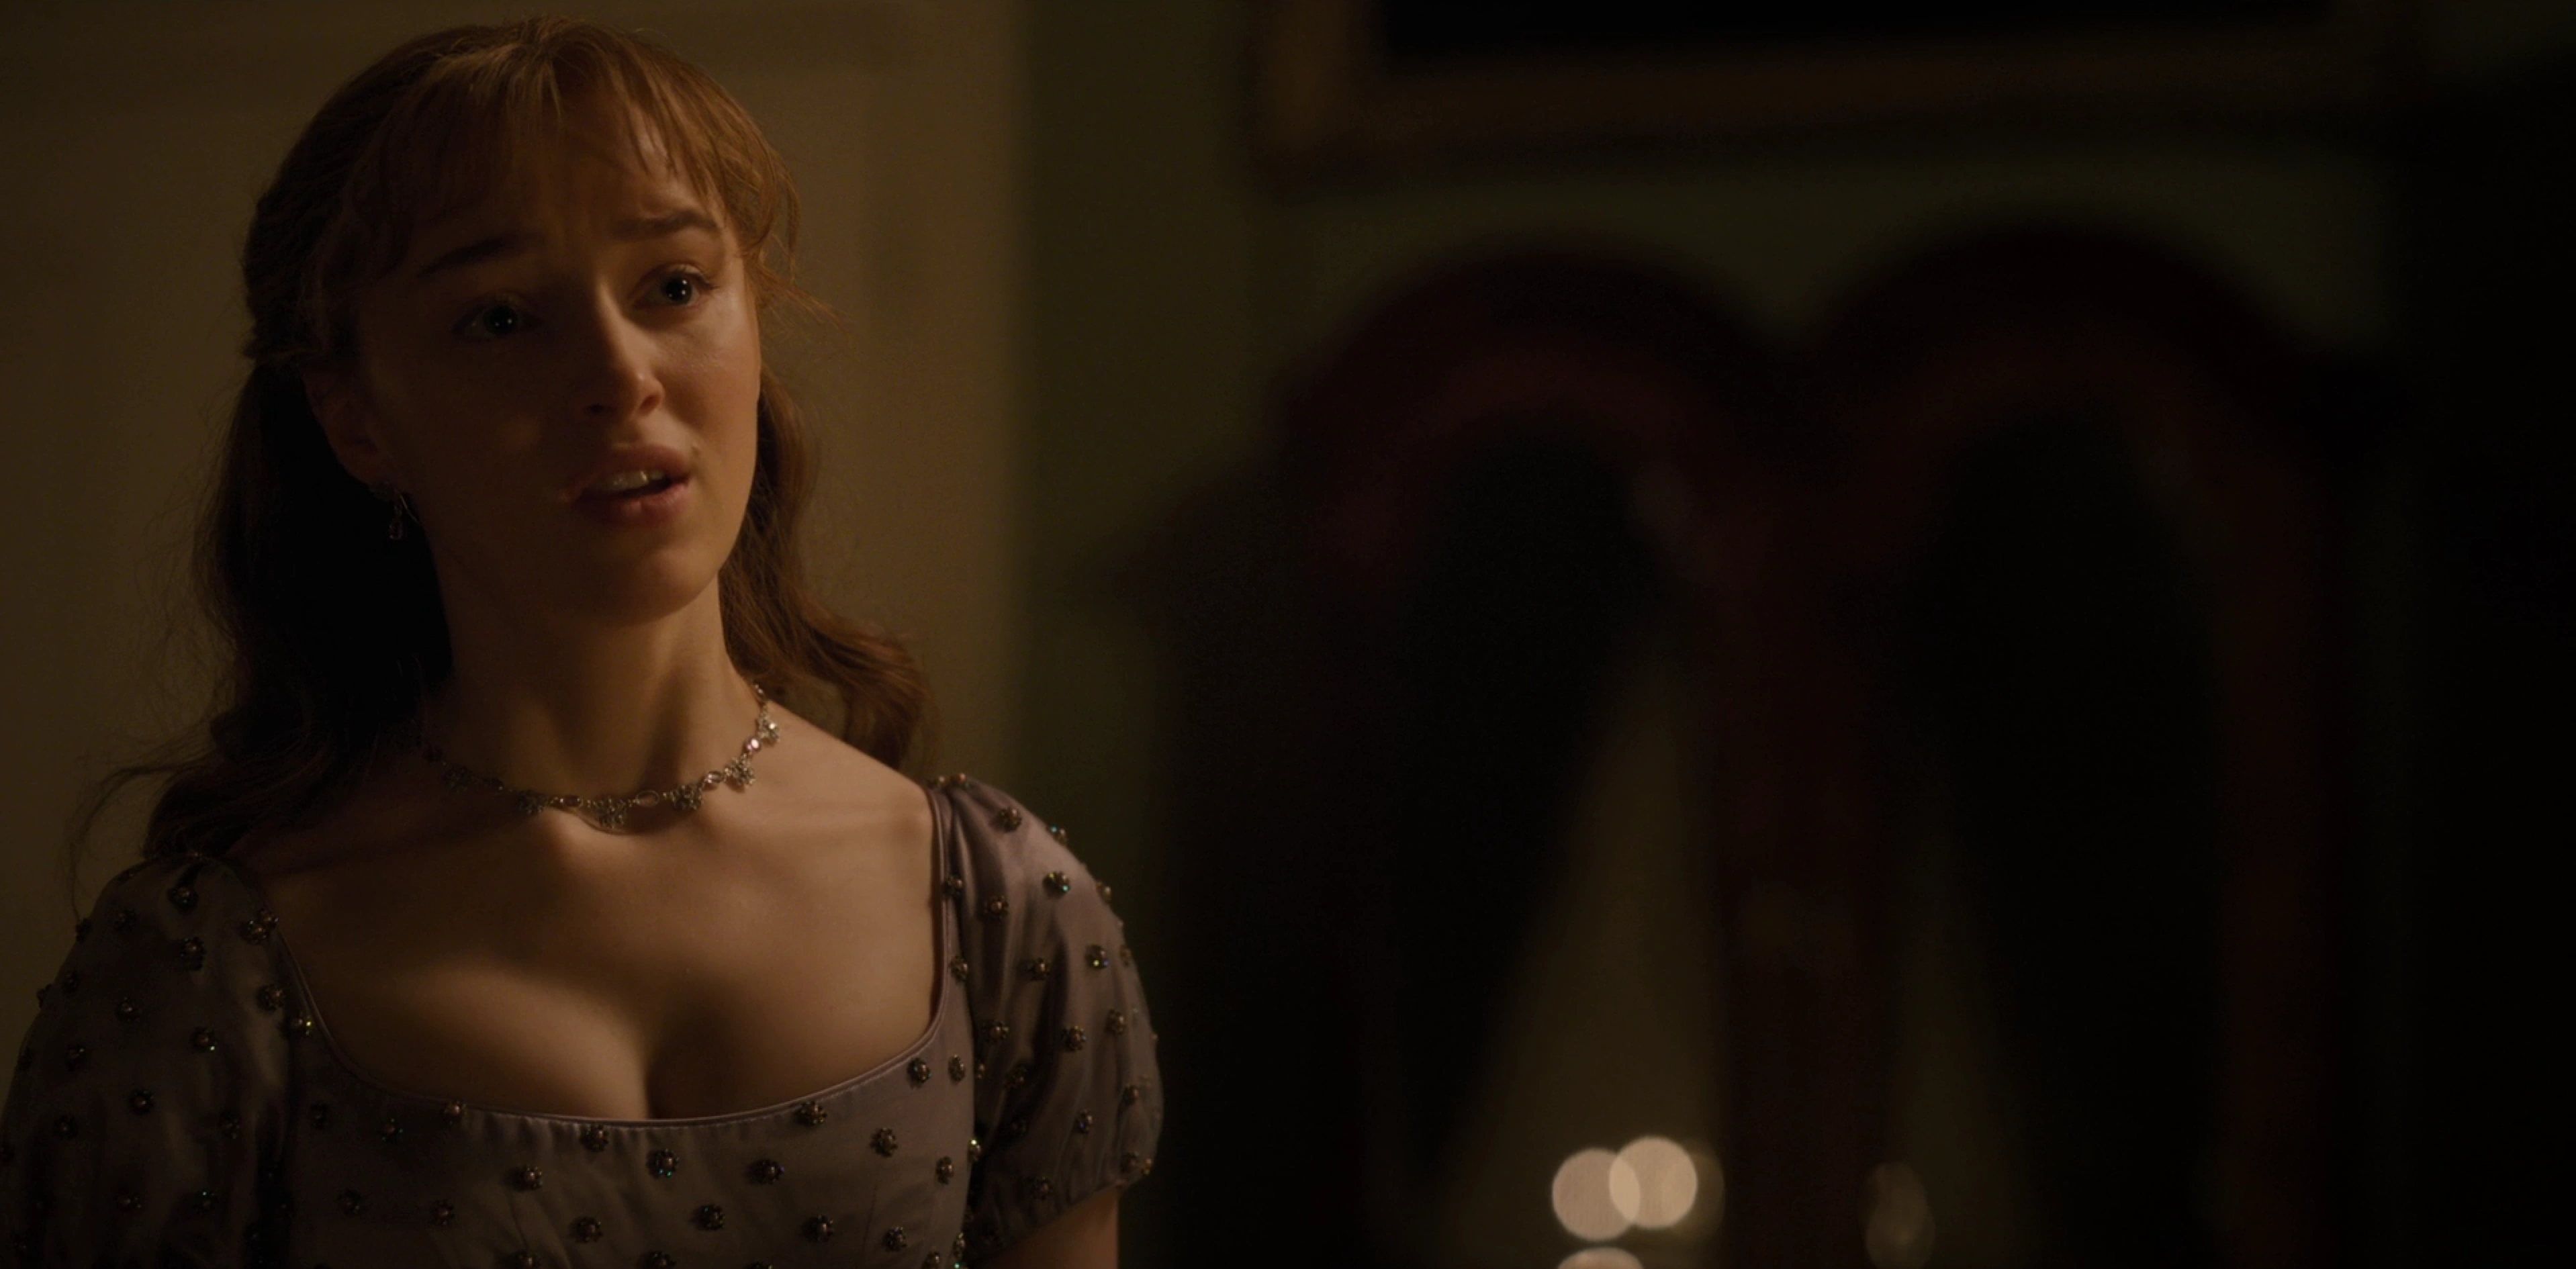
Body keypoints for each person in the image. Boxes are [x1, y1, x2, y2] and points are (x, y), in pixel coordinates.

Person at [0, 17, 1158, 1268]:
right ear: (357, 420)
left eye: (674, 286)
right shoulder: (209, 966)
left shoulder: (999, 915)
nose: (619, 372)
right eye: (502, 318)